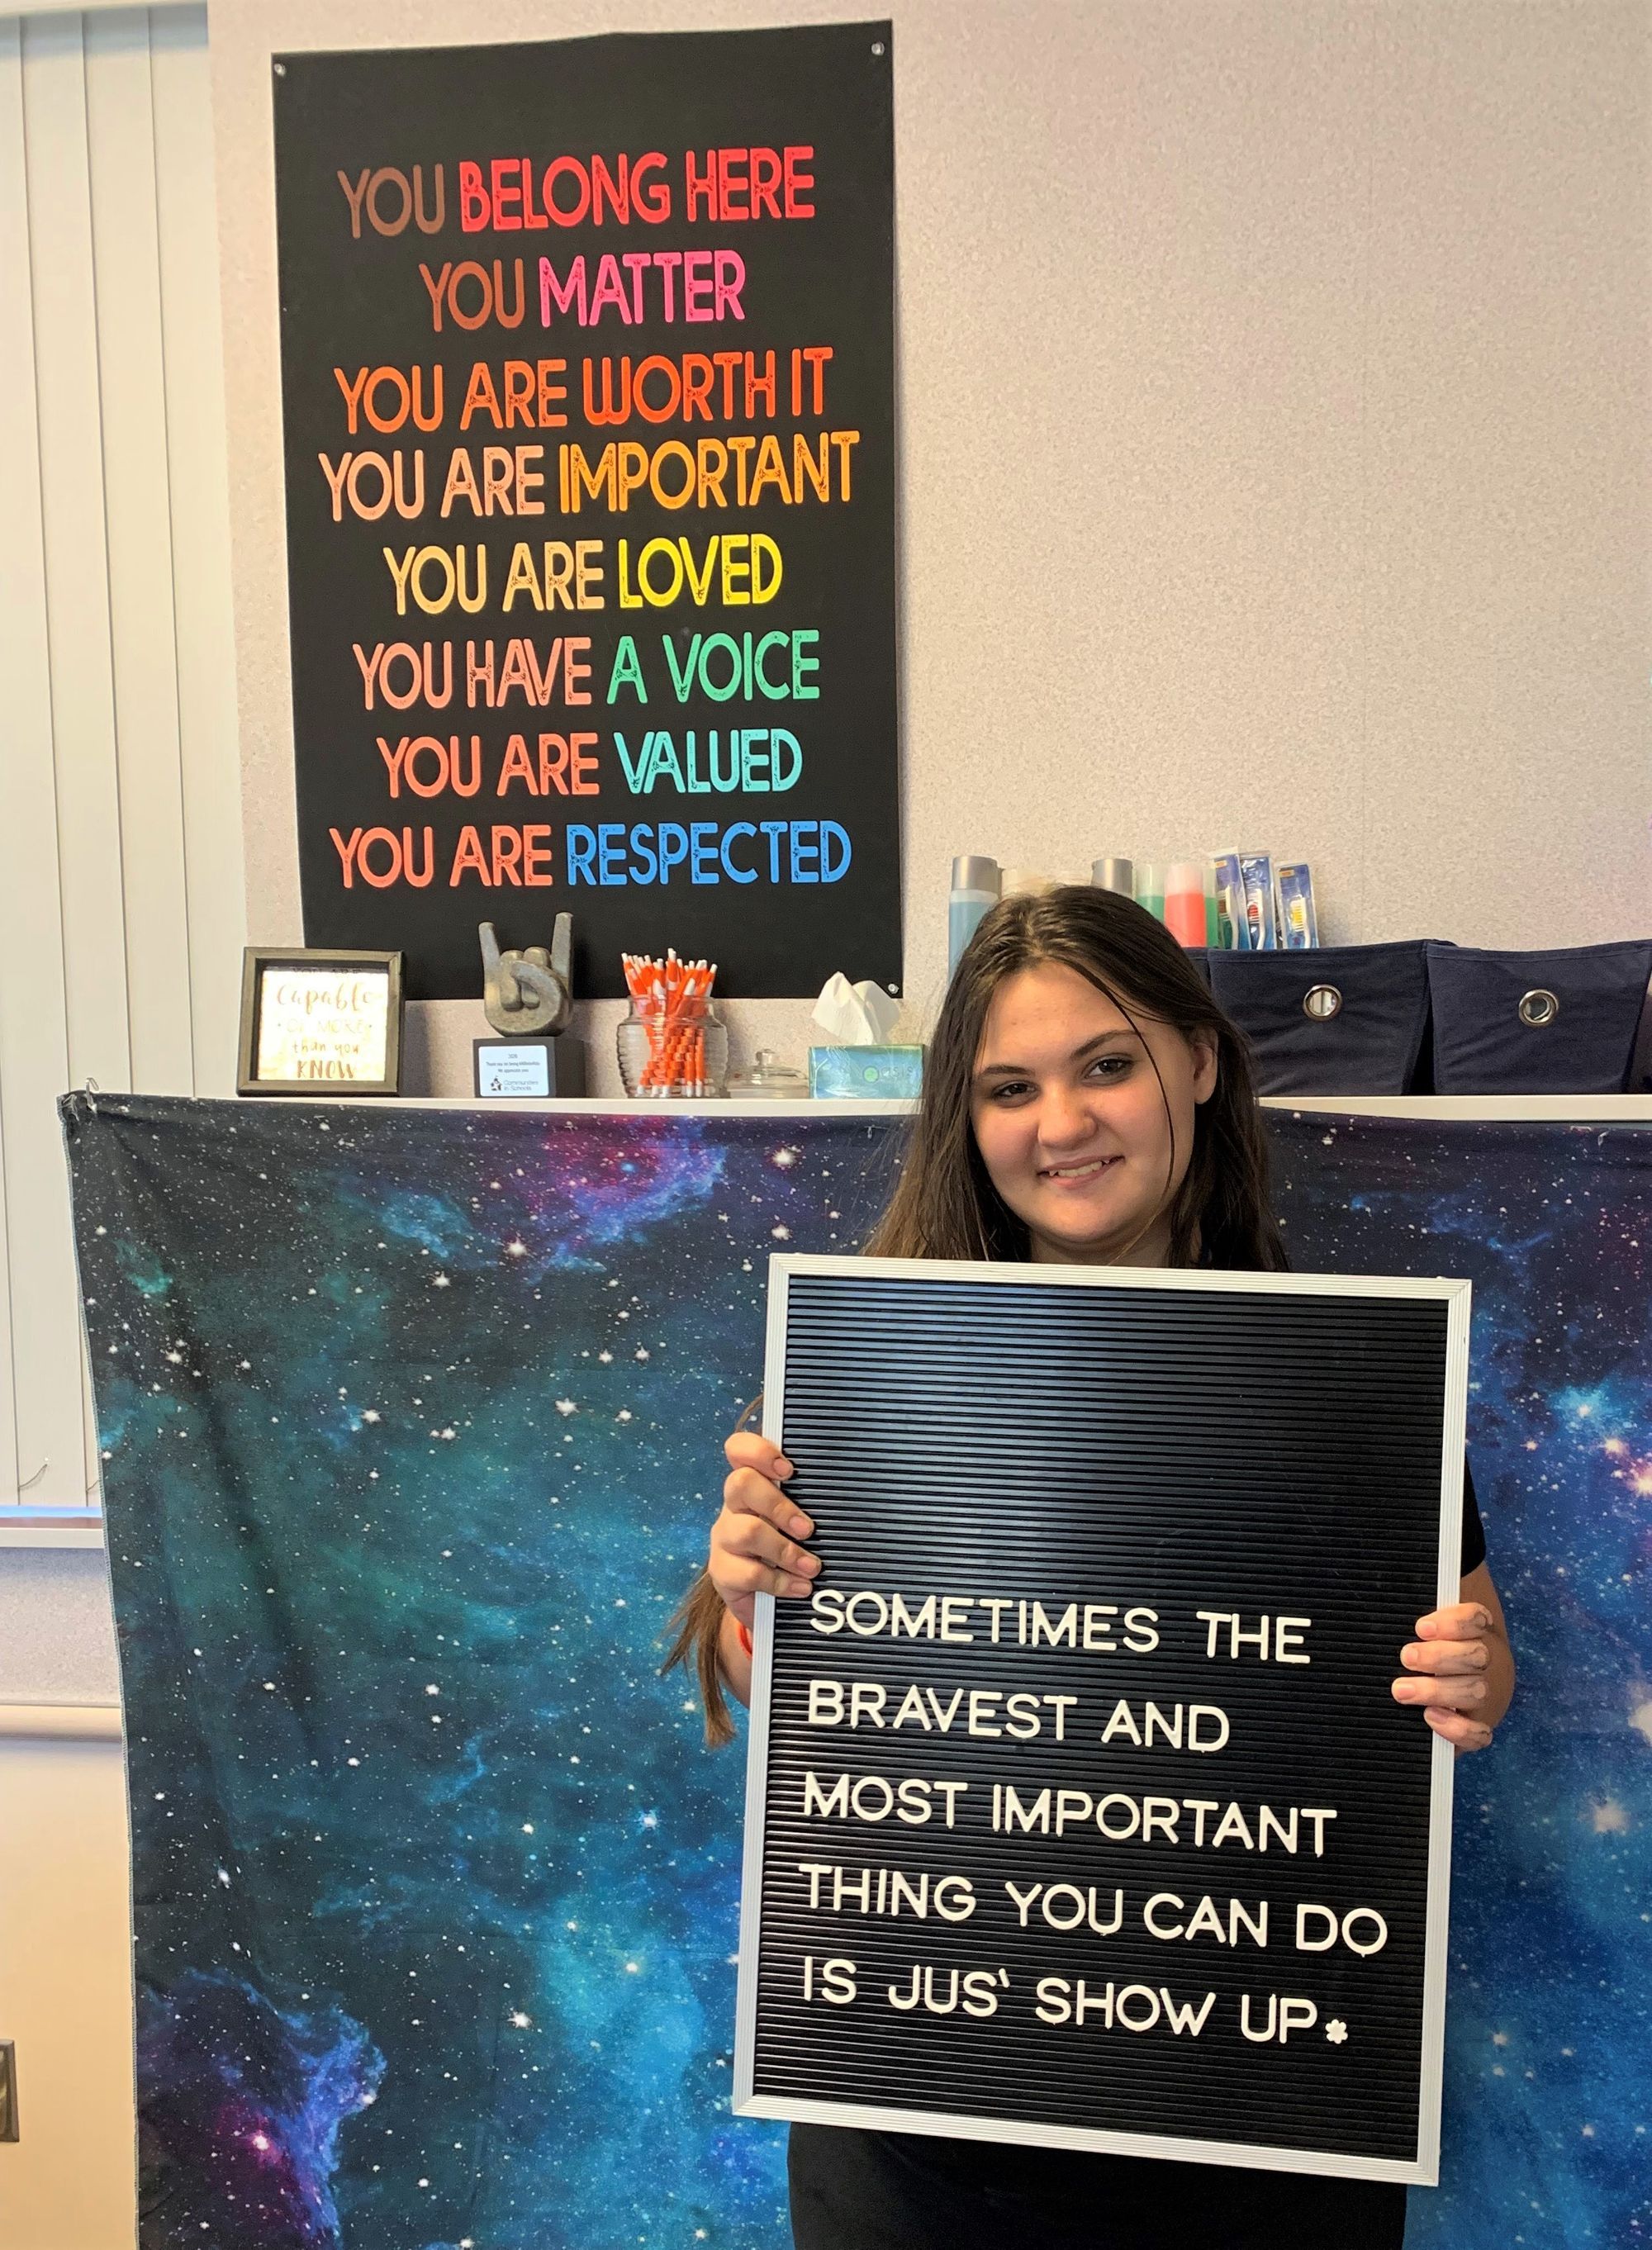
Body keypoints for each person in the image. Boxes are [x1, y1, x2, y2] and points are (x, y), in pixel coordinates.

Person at [666, 885, 1515, 2250]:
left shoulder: (1356, 1376)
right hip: (921, 2129)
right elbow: (772, 1684)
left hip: (1262, 2125)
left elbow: (1478, 1662)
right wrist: (747, 1588)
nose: (1061, 1126)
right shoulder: (869, 1371)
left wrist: (1469, 1677)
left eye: (1106, 1065)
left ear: (1199, 1056)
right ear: (967, 1114)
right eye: (1010, 1087)